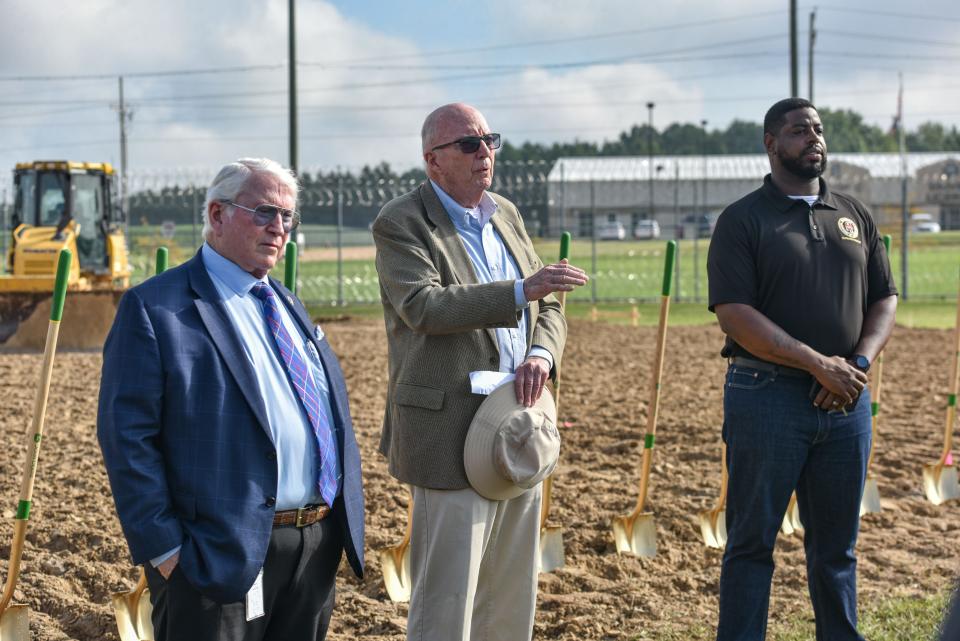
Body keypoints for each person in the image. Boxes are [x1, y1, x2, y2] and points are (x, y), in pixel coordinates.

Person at [97, 158, 364, 641]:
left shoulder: (285, 302)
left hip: (312, 547)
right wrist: (166, 552)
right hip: (215, 557)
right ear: (217, 215)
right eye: (264, 212)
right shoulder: (158, 308)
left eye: (287, 217)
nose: (279, 228)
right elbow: (127, 438)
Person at [372, 102, 588, 641]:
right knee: (446, 601)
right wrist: (521, 291)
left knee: (511, 595)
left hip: (519, 422)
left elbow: (551, 304)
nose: (484, 152)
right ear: (433, 160)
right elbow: (423, 306)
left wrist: (542, 354)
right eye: (469, 144)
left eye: (489, 139)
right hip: (448, 431)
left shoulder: (506, 214)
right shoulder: (402, 222)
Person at [707, 98, 898, 641]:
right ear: (771, 144)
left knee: (837, 548)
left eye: (817, 129)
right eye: (798, 130)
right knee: (751, 545)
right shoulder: (743, 219)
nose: (813, 138)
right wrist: (818, 365)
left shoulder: (854, 214)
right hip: (766, 396)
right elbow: (736, 315)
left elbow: (884, 298)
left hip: (846, 405)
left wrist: (856, 366)